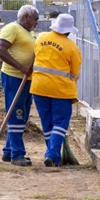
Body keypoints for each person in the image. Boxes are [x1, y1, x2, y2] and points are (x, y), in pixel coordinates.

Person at [30, 13, 82, 167]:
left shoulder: (40, 38)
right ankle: (52, 154)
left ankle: (53, 156)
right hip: (61, 90)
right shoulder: (72, 47)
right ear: (68, 31)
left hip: (39, 87)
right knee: (60, 123)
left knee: (47, 123)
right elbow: (75, 73)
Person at [0, 5, 39, 166]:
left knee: (23, 115)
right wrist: (21, 67)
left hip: (27, 79)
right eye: (36, 18)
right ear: (26, 17)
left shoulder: (29, 32)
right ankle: (17, 154)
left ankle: (9, 151)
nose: (37, 22)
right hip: (14, 77)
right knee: (17, 114)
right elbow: (0, 50)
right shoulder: (11, 28)